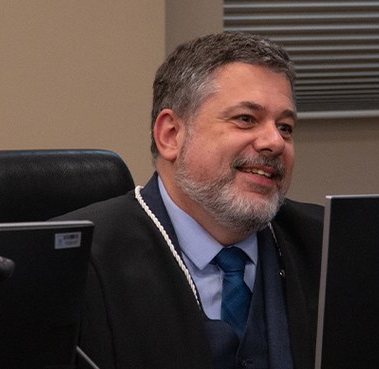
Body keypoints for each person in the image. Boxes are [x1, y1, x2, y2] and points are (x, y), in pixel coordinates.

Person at [55, 31, 323, 369]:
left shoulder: (329, 246)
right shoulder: (77, 265)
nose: (274, 142)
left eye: (285, 127)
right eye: (246, 119)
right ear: (171, 135)